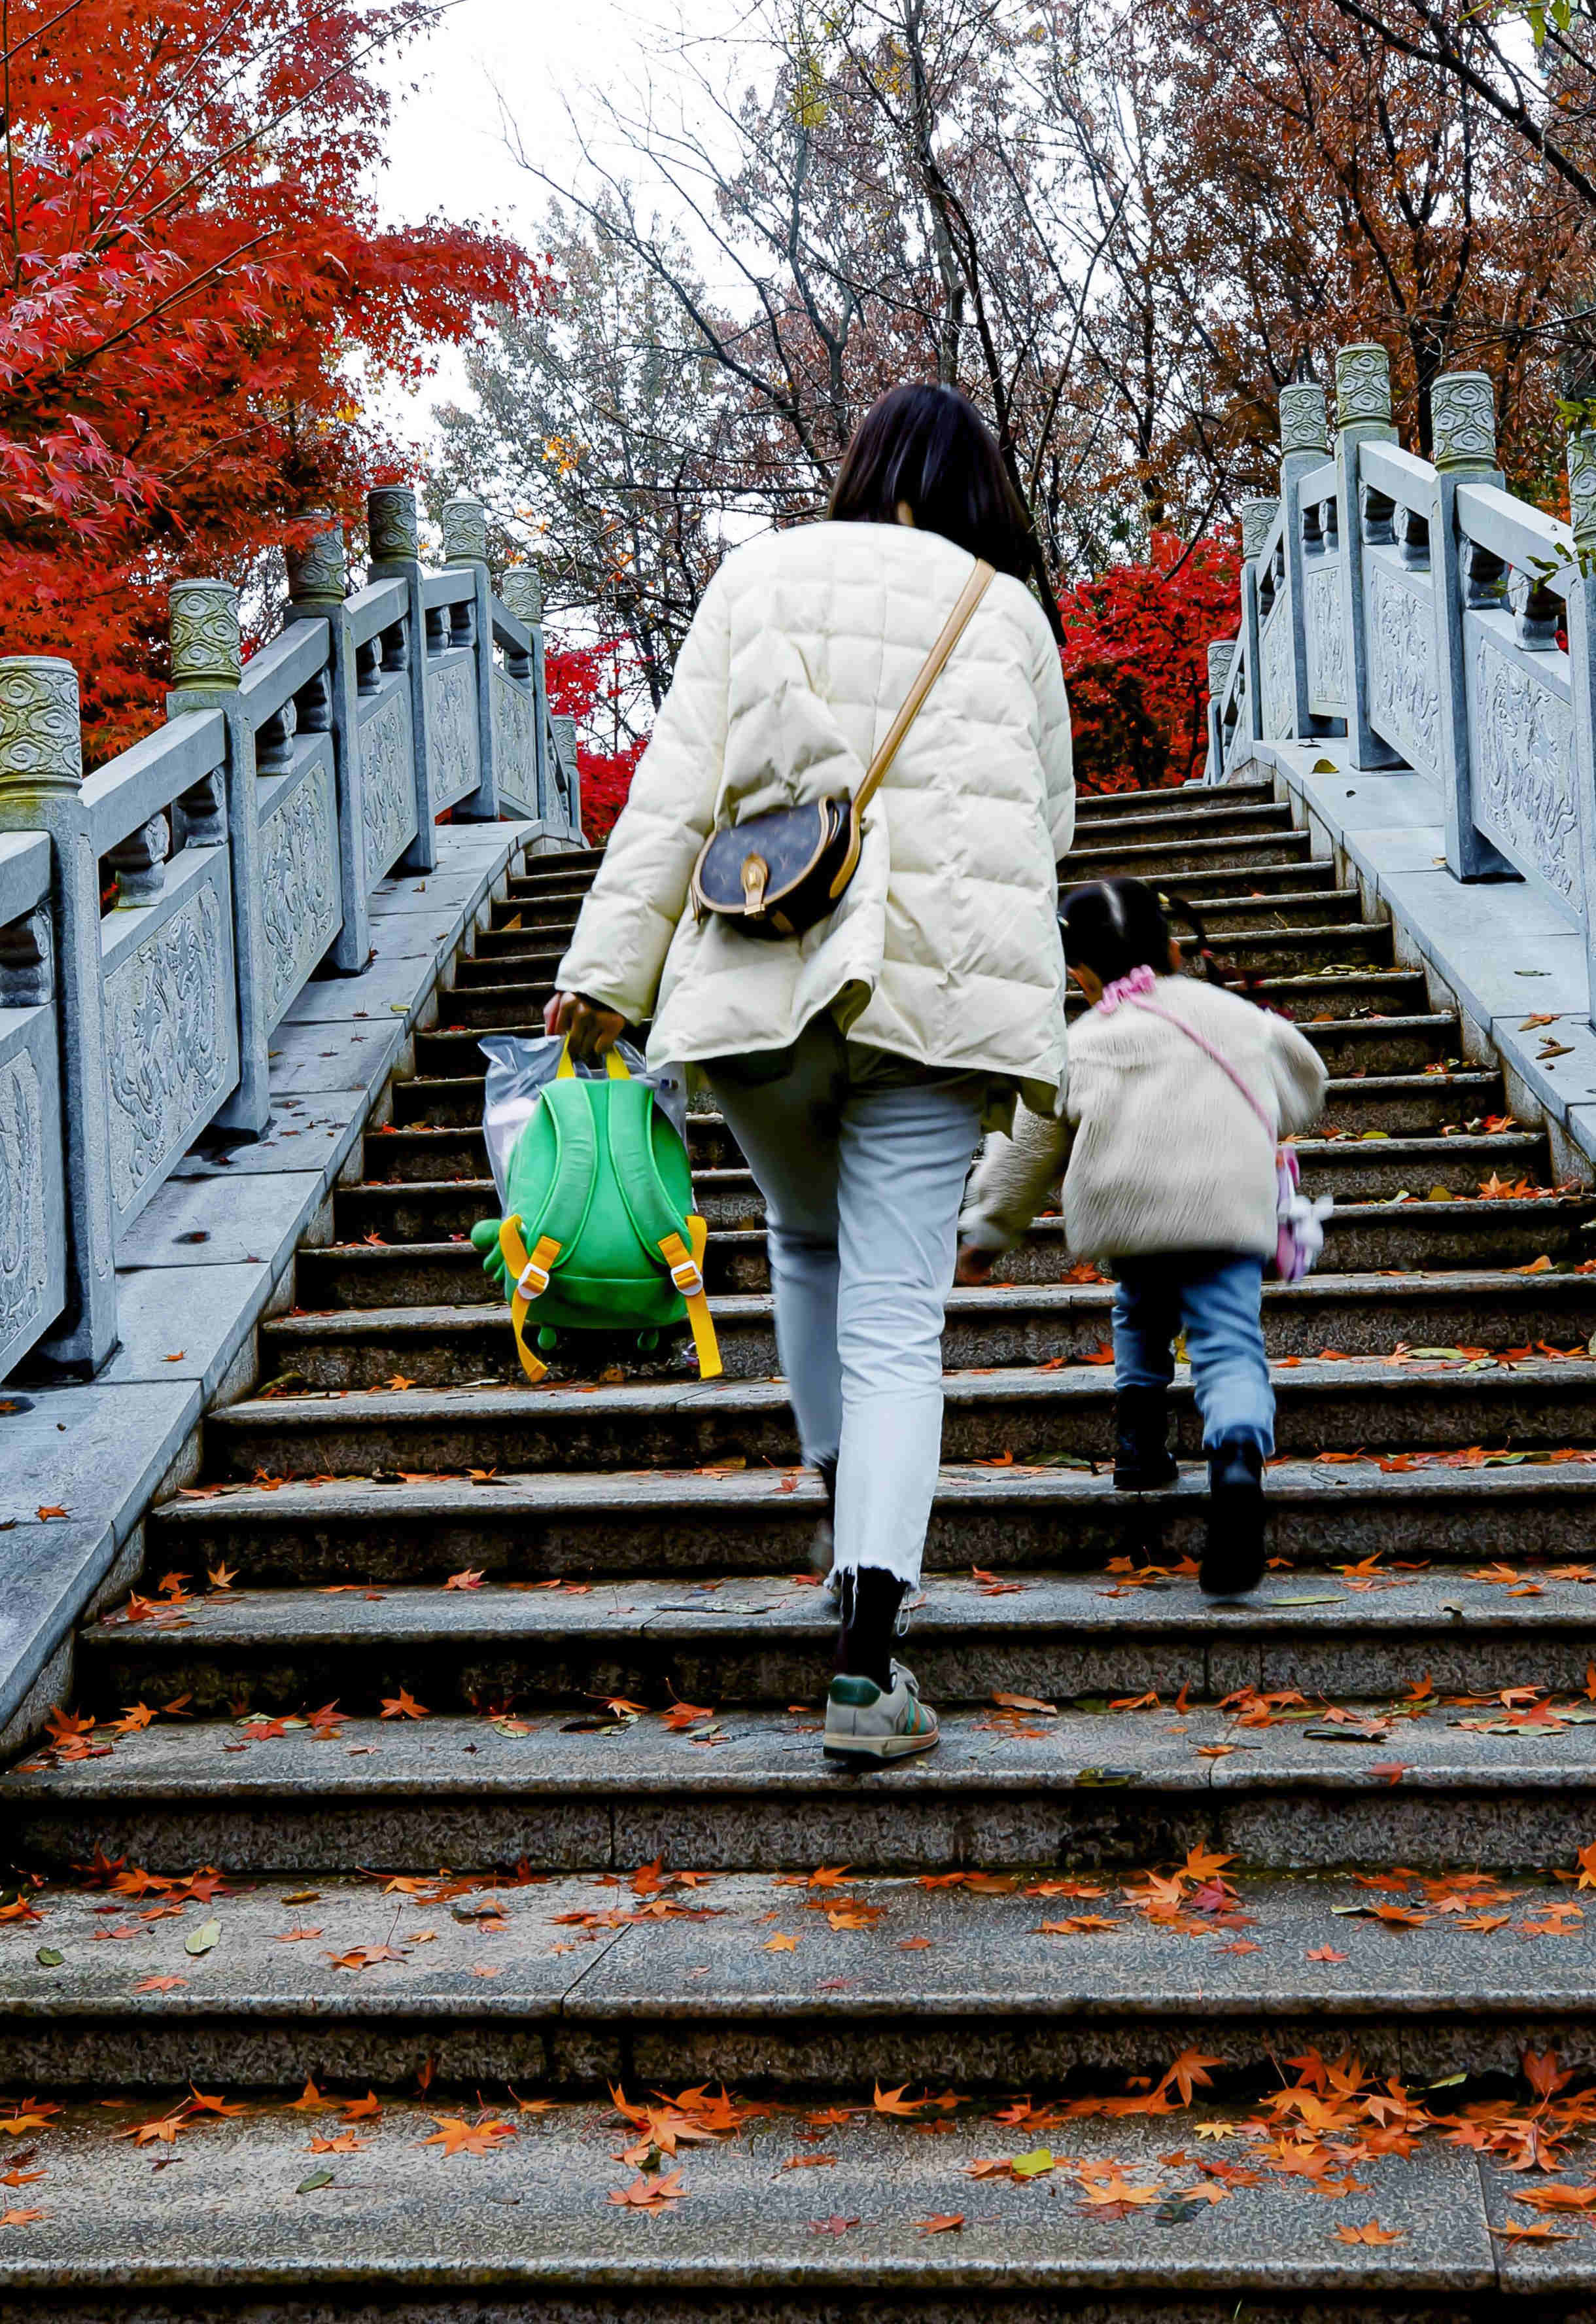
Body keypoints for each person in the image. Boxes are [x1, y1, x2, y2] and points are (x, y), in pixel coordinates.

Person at [544, 383, 1075, 1765]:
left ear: (863, 468)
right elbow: (1050, 823)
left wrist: (603, 976)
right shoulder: (1008, 612)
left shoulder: (756, 576)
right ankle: (867, 1664)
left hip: (762, 970)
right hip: (938, 996)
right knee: (897, 1319)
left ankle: (841, 1522)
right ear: (977, 489)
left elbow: (674, 789)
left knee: (800, 1241)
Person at [955, 878, 1326, 1594]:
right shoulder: (1238, 1018)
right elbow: (1305, 1082)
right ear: (1175, 950)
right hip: (1223, 1213)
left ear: (1080, 976)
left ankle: (1140, 1446)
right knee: (1228, 1344)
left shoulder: (1081, 1042)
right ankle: (1237, 1464)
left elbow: (1026, 1149)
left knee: (1139, 1311)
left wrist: (988, 1231)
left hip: (1132, 1220)